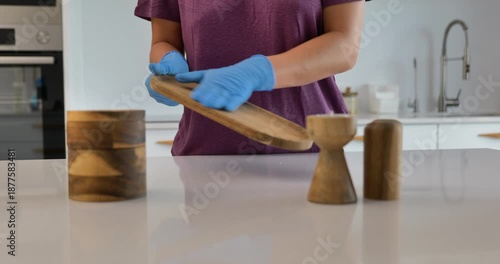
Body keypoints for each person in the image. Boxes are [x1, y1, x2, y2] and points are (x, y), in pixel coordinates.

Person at [135, 0, 365, 156]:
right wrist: (168, 66)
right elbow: (162, 41)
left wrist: (259, 72)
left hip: (310, 154)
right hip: (203, 157)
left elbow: (345, 45)